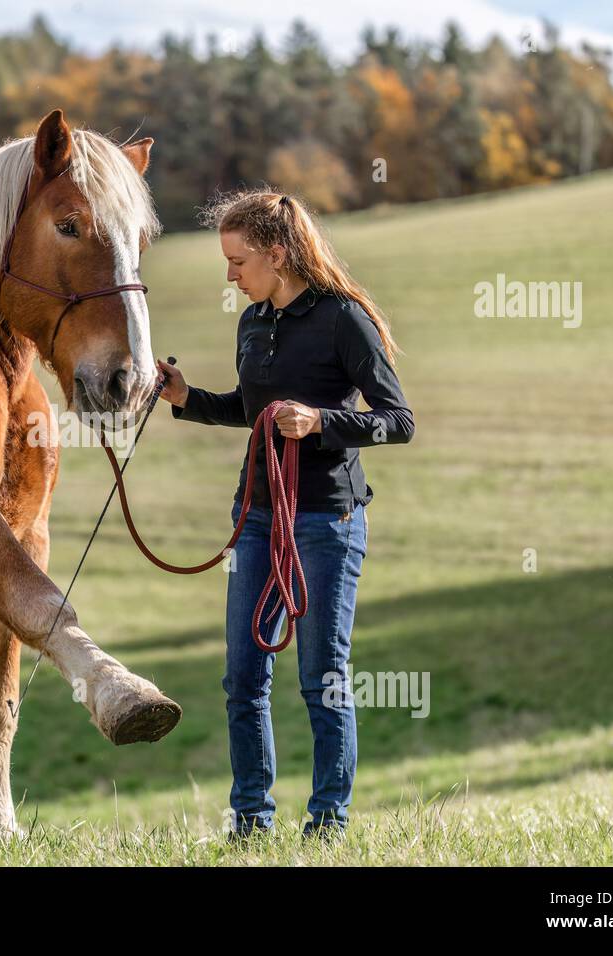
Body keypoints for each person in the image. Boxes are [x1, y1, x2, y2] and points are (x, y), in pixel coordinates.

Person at [157, 189, 415, 840]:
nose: (229, 275)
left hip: (328, 520)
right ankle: (250, 823)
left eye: (239, 261)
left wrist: (322, 421)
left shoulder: (342, 319)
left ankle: (327, 824)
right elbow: (253, 408)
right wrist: (187, 398)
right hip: (258, 516)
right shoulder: (252, 322)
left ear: (278, 253)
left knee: (322, 676)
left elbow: (399, 422)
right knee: (242, 677)